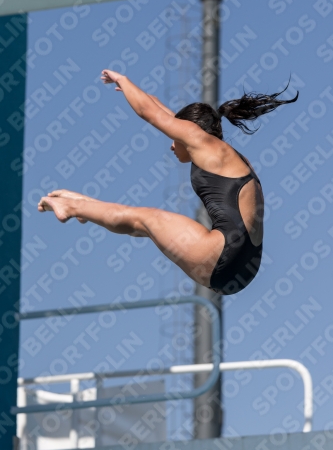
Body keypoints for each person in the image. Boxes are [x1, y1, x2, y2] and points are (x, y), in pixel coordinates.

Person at [38, 70, 298, 295]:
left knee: (147, 219)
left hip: (221, 256)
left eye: (176, 137)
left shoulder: (200, 142)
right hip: (245, 266)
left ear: (190, 132)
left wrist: (123, 79)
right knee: (143, 227)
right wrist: (135, 90)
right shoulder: (227, 155)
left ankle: (73, 208)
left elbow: (150, 113)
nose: (172, 145)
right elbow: (162, 111)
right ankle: (89, 210)